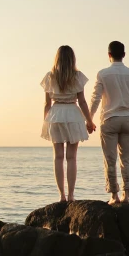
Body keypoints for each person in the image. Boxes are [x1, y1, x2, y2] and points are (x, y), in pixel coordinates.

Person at [89, 41, 129, 204]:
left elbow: (96, 98)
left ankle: (114, 196)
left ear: (109, 55)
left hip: (109, 119)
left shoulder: (103, 74)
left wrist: (89, 118)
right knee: (127, 158)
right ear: (124, 55)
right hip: (127, 118)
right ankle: (126, 194)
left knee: (110, 159)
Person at [41, 45, 96, 202]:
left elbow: (46, 104)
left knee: (58, 157)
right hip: (73, 114)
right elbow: (83, 101)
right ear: (73, 59)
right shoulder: (77, 76)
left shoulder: (50, 76)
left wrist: (46, 120)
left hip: (55, 114)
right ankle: (71, 195)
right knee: (71, 158)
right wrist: (90, 121)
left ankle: (62, 196)